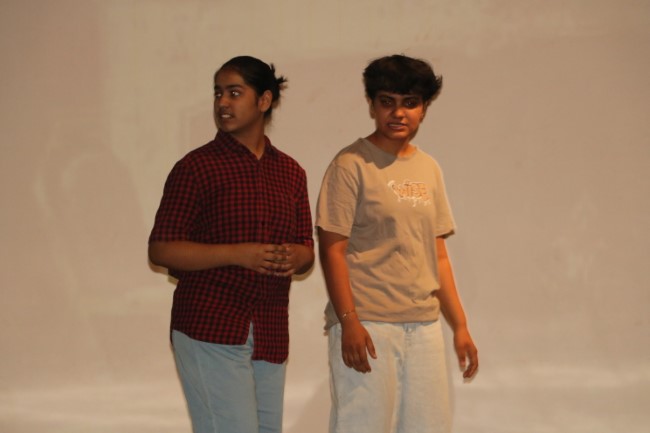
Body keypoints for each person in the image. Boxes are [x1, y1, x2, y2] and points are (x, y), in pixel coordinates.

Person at [148, 55, 314, 433]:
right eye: (218, 93)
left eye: (234, 93)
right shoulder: (196, 167)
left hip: (269, 330)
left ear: (264, 100)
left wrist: (298, 256)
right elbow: (161, 248)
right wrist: (239, 254)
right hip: (210, 325)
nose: (222, 102)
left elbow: (306, 246)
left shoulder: (290, 172)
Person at [316, 54, 479, 433]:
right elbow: (332, 249)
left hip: (423, 327)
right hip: (369, 324)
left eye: (410, 102)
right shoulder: (350, 164)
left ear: (424, 108)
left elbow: (437, 255)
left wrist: (460, 325)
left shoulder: (428, 167)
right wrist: (349, 322)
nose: (398, 112)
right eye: (387, 101)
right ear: (372, 104)